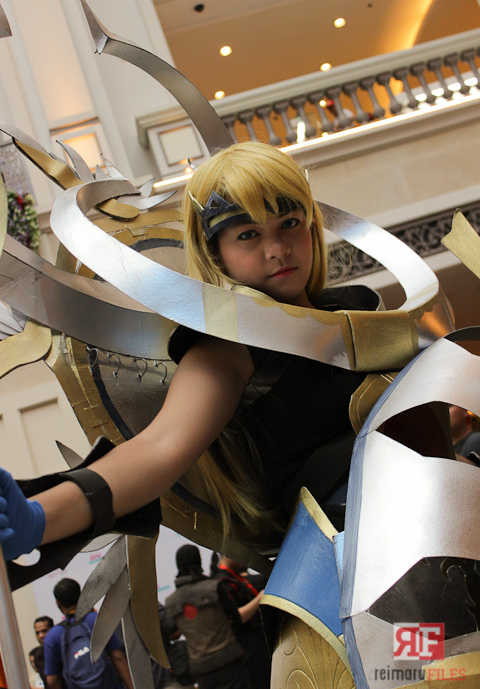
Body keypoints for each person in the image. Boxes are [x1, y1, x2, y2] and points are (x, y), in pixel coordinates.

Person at [0, 141, 408, 682]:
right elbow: (158, 450)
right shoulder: (229, 347)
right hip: (340, 567)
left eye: (289, 223)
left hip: (427, 521)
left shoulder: (362, 310)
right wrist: (39, 517)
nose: (277, 249)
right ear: (215, 253)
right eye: (247, 234)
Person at [165, 544, 261, 689]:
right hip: (229, 661)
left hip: (201, 669)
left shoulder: (171, 602)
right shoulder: (214, 588)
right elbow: (236, 619)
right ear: (198, 561)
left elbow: (175, 633)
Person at [43, 578, 133, 689]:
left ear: (58, 603)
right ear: (81, 595)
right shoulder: (96, 619)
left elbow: (52, 680)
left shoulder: (52, 637)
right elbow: (118, 656)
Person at [215, 556, 270, 689]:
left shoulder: (234, 578)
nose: (241, 556)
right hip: (248, 646)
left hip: (258, 643)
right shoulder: (222, 582)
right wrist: (260, 598)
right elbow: (236, 617)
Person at [29, 616, 54, 687]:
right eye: (37, 633)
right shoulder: (38, 656)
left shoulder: (63, 647)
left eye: (44, 631)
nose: (41, 636)